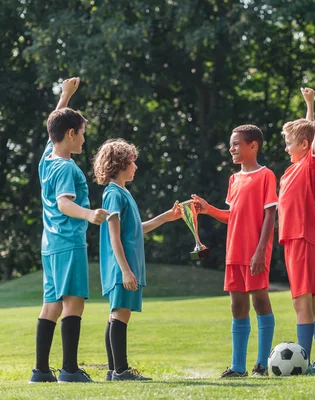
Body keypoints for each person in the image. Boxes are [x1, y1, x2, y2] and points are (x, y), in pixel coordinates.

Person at [30, 77, 110, 383]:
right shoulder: (66, 167)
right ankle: (70, 370)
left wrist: (65, 96)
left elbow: (54, 129)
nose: (84, 140)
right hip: (68, 241)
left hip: (50, 244)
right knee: (73, 301)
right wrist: (89, 214)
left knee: (51, 304)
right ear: (71, 134)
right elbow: (65, 204)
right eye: (82, 135)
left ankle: (40, 371)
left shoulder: (47, 161)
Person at [192, 124, 277, 378]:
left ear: (254, 146)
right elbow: (233, 216)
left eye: (237, 144)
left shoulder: (266, 176)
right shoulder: (234, 179)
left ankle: (262, 365)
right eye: (231, 144)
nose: (232, 148)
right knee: (237, 306)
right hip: (234, 253)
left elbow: (270, 214)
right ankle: (238, 367)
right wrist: (208, 209)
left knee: (260, 301)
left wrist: (261, 251)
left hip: (255, 252)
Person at [93, 138, 181, 381]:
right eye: (132, 161)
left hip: (126, 266)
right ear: (120, 164)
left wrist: (165, 217)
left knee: (117, 314)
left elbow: (134, 229)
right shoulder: (113, 194)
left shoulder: (122, 193)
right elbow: (114, 237)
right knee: (120, 314)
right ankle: (121, 370)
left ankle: (114, 371)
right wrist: (125, 270)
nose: (136, 167)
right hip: (122, 267)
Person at [278, 73, 315, 374]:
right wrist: (309, 105)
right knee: (313, 304)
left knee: (301, 304)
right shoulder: (294, 168)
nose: (286, 148)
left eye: (289, 144)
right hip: (298, 239)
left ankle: (300, 365)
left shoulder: (309, 163)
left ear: (303, 145)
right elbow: (310, 129)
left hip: (302, 237)